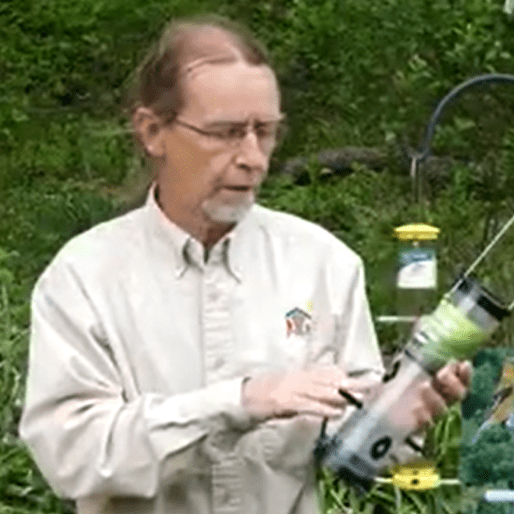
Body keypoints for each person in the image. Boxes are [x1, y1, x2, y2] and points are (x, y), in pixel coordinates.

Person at [19, 15, 470, 514]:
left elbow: (354, 455)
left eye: (267, 132)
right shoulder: (85, 278)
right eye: (227, 133)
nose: (253, 157)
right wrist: (240, 401)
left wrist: (401, 413)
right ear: (152, 131)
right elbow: (72, 457)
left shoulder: (323, 264)